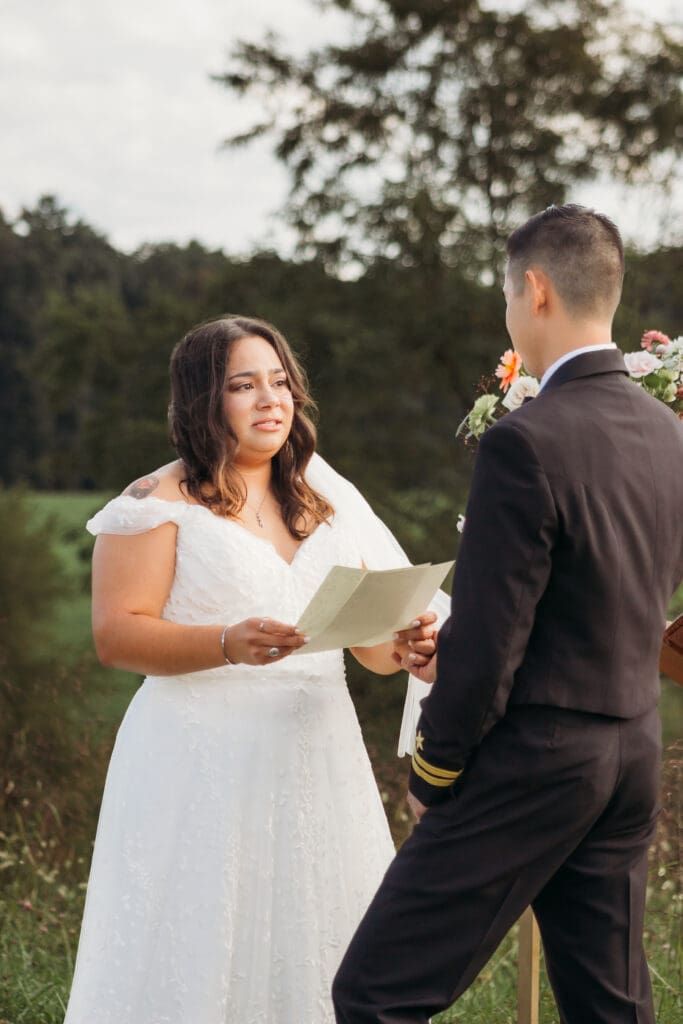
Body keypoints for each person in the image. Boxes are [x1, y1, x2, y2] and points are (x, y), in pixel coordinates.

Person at [332, 205, 683, 1023]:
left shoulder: (523, 440)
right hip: (631, 750)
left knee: (375, 993)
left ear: (533, 290)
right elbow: (605, 591)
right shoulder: (667, 430)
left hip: (534, 757)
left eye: (503, 293)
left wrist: (433, 769)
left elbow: (493, 642)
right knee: (608, 1008)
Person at [63, 314, 438, 1024]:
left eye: (280, 382)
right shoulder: (151, 504)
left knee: (322, 937)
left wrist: (405, 646)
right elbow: (116, 636)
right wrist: (227, 642)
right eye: (244, 385)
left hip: (316, 751)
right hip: (199, 757)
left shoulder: (321, 501)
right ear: (204, 400)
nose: (271, 400)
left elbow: (369, 648)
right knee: (198, 943)